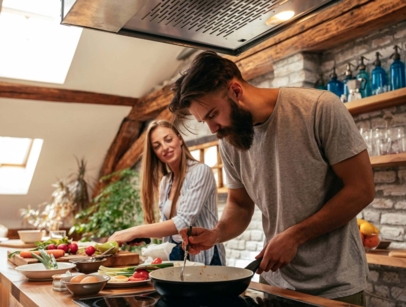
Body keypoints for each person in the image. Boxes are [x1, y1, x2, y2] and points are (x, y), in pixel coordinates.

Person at [169, 51, 374, 305]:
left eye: (212, 115)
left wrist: (296, 236)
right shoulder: (231, 141)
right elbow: (240, 204)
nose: (212, 129)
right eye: (204, 121)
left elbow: (362, 189)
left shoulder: (319, 108)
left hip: (334, 287)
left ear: (235, 91)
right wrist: (216, 233)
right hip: (275, 285)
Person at [108, 120, 225, 265]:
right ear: (154, 153)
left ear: (180, 139)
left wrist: (135, 231)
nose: (165, 147)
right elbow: (169, 227)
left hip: (204, 257)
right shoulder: (166, 182)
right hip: (177, 254)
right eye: (157, 146)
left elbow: (183, 222)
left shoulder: (200, 171)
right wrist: (145, 237)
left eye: (168, 140)